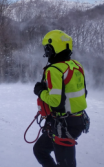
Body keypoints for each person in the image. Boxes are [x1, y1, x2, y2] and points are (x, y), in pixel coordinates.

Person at [33, 30, 88, 167]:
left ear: (55, 48)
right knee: (40, 150)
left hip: (64, 125)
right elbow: (83, 93)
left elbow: (55, 101)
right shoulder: (76, 66)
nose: (46, 52)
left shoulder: (54, 70)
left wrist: (40, 91)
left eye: (47, 48)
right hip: (76, 120)